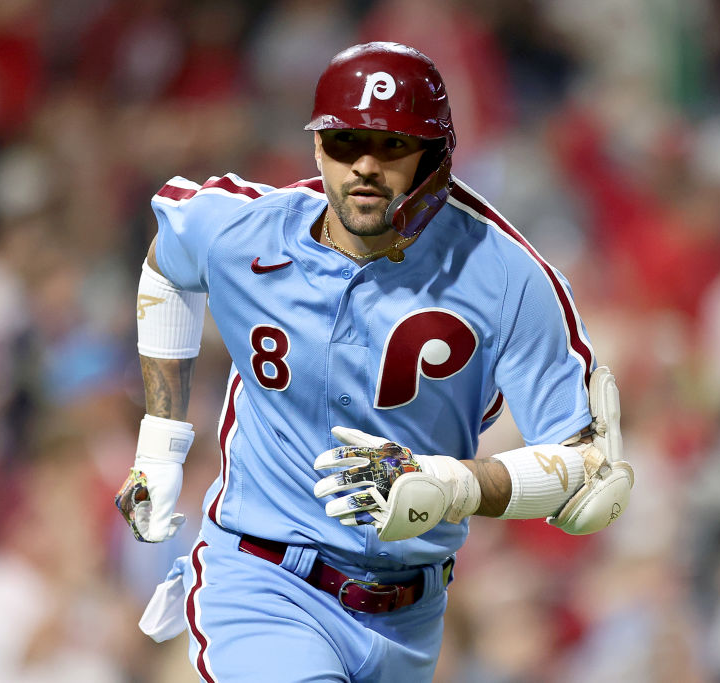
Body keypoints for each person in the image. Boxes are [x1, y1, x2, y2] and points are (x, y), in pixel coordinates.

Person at [114, 41, 634, 683]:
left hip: (412, 616)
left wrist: (451, 485)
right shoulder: (245, 229)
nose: (364, 165)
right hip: (262, 579)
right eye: (344, 142)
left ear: (435, 156)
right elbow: (168, 262)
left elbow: (587, 470)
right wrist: (161, 445)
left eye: (392, 146)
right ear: (316, 147)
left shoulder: (507, 276)